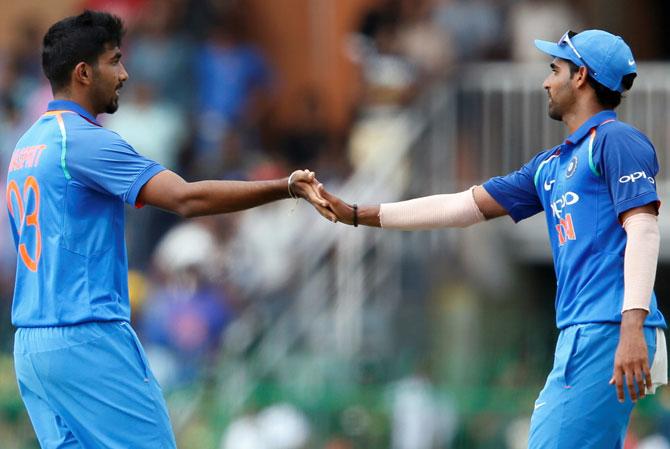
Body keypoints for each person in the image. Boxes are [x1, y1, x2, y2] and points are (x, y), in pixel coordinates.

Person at [318, 29, 668, 449]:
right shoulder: (551, 164)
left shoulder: (615, 140)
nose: (545, 81)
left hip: (608, 327)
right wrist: (358, 215)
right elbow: (464, 206)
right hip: (587, 330)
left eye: (554, 69)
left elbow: (644, 228)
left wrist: (631, 324)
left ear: (581, 78)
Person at [6, 11, 332, 449]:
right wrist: (286, 186)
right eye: (115, 61)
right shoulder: (85, 141)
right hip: (87, 338)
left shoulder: (27, 145)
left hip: (31, 346)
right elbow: (186, 198)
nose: (124, 74)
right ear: (83, 72)